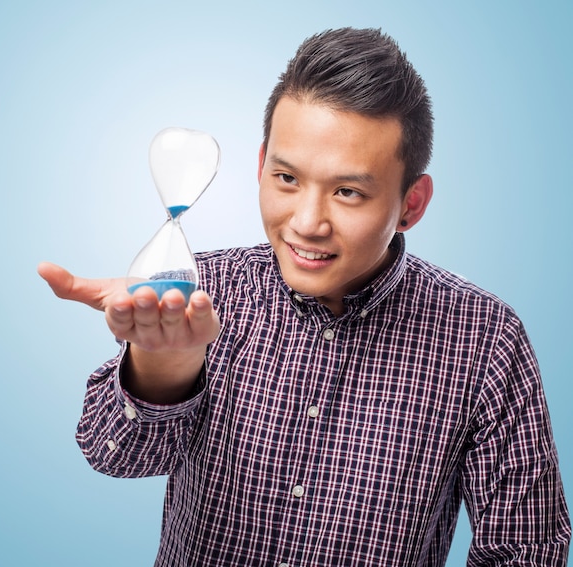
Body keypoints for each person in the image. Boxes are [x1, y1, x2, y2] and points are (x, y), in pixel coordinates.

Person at [38, 27, 571, 566]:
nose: (308, 223)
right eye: (287, 178)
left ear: (412, 202)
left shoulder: (486, 338)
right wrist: (163, 367)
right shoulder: (203, 290)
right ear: (261, 164)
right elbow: (115, 456)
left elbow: (526, 549)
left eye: (348, 192)